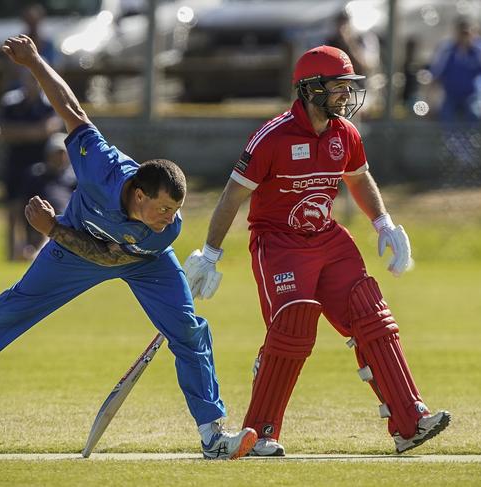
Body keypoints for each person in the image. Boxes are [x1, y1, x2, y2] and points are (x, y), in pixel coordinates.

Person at [0, 34, 257, 460]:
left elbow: (112, 257)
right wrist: (36, 61)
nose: (171, 217)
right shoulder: (100, 165)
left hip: (140, 260)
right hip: (74, 249)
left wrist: (51, 229)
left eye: (176, 210)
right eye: (164, 207)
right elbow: (71, 109)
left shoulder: (165, 231)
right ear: (138, 195)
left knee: (189, 331)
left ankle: (212, 434)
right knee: (15, 309)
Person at [183, 46, 451, 457]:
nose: (346, 96)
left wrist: (384, 224)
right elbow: (232, 196)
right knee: (293, 325)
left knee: (372, 315)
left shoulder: (345, 133)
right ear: (310, 89)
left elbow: (359, 179)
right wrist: (210, 253)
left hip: (327, 238)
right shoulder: (272, 137)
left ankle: (409, 422)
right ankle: (261, 432)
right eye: (337, 88)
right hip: (278, 243)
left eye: (348, 87)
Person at [0, 71, 63, 260]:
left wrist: (20, 132)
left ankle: (38, 255)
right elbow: (2, 131)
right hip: (15, 166)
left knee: (39, 212)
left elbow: (50, 128)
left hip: (40, 170)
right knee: (14, 212)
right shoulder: (11, 103)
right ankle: (12, 256)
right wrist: (35, 131)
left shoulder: (48, 104)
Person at [429, 16, 481, 123]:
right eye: (461, 31)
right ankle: (451, 139)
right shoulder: (446, 49)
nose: (465, 35)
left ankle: (472, 139)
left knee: (475, 112)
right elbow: (435, 76)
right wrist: (429, 102)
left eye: (468, 32)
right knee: (446, 116)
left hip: (475, 96)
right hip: (450, 96)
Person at [21, 132, 77, 259]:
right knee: (47, 224)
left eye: (63, 154)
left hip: (68, 220)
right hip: (43, 218)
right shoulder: (37, 176)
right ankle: (39, 251)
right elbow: (24, 204)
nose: (60, 158)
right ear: (48, 154)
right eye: (56, 153)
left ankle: (39, 253)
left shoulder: (74, 178)